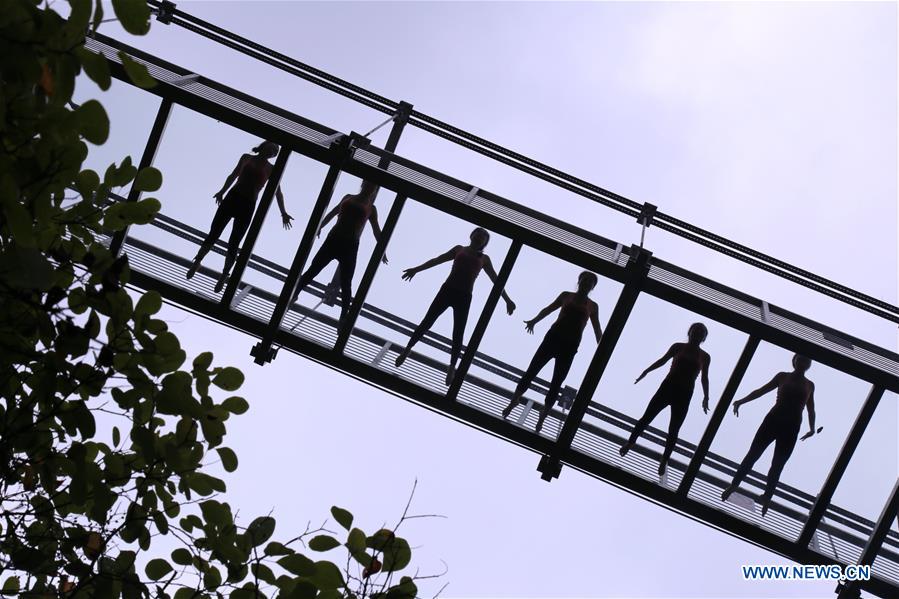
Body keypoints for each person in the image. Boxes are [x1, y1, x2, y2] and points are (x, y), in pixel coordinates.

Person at [394, 227, 516, 386]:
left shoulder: (484, 259)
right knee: (427, 321)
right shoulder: (459, 249)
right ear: (471, 235)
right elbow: (437, 259)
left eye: (483, 237)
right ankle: (407, 350)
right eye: (478, 234)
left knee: (458, 333)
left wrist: (507, 299)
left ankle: (452, 367)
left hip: (464, 296)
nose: (479, 237)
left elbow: (496, 280)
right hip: (447, 290)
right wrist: (416, 269)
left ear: (485, 242)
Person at [501, 272, 603, 432]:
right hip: (552, 338)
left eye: (590, 282)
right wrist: (534, 320)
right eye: (585, 280)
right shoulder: (566, 296)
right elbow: (549, 309)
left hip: (570, 347)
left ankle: (542, 416)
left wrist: (601, 348)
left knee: (556, 383)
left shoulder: (592, 306)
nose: (586, 283)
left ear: (593, 287)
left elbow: (597, 329)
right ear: (579, 281)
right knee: (532, 371)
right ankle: (514, 401)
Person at [186, 141, 293, 292]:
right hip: (232, 197)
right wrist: (222, 191)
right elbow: (233, 175)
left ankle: (224, 275)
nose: (273, 152)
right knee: (214, 232)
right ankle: (197, 261)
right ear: (264, 146)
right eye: (272, 148)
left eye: (276, 152)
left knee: (234, 242)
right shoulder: (246, 158)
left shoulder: (272, 169)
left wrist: (283, 212)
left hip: (248, 205)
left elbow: (277, 191)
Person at [721, 354, 817, 517]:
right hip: (773, 419)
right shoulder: (782, 376)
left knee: (778, 464)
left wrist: (812, 428)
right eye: (800, 359)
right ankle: (734, 484)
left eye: (806, 360)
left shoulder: (810, 385)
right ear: (794, 361)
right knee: (753, 454)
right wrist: (741, 401)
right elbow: (761, 391)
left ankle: (767, 496)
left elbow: (811, 408)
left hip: (792, 426)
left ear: (809, 365)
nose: (803, 362)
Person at [619, 323, 712, 477]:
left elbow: (704, 378)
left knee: (674, 430)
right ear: (690, 332)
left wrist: (706, 397)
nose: (697, 334)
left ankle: (664, 459)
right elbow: (662, 361)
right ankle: (630, 442)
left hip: (685, 393)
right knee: (647, 417)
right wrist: (646, 371)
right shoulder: (678, 346)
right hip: (667, 387)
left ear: (703, 338)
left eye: (701, 333)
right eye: (695, 331)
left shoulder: (705, 357)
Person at [290, 180, 388, 321]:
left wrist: (382, 250)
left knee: (346, 283)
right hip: (334, 239)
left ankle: (344, 316)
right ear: (363, 184)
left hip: (349, 245)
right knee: (314, 269)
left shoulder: (371, 209)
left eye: (373, 186)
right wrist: (320, 226)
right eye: (368, 184)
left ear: (374, 190)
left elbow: (376, 230)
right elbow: (333, 212)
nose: (369, 188)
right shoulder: (348, 197)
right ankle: (294, 294)